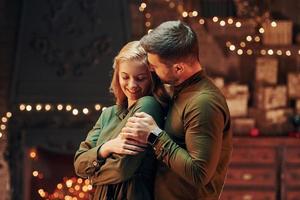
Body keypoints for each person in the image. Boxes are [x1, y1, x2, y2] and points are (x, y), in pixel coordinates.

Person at [121, 21, 233, 199]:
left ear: (179, 68)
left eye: (155, 66)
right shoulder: (182, 90)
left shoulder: (203, 103)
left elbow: (199, 174)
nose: (150, 68)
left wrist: (153, 135)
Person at [74, 41, 168, 200]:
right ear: (117, 76)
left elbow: (121, 170)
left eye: (140, 78)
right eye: (125, 77)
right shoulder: (108, 114)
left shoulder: (149, 105)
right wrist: (106, 148)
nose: (132, 85)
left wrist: (92, 178)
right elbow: (79, 163)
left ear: (152, 78)